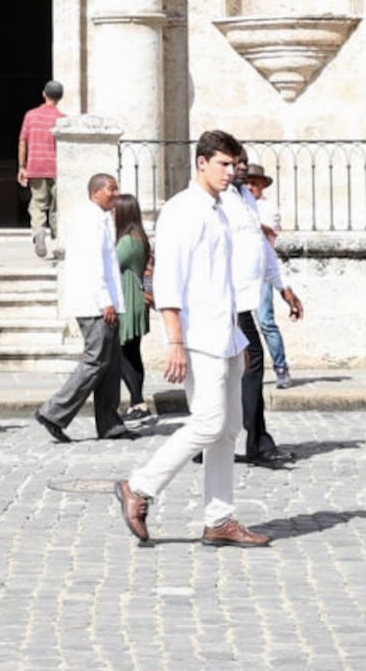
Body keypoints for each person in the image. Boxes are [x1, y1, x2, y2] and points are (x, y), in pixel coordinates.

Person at [114, 129, 269, 548]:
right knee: (208, 423)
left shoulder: (223, 209)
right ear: (201, 162)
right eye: (223, 164)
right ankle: (139, 487)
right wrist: (176, 341)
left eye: (234, 164)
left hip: (225, 334)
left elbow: (225, 281)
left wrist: (239, 341)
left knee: (229, 428)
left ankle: (219, 519)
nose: (231, 172)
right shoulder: (182, 210)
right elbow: (168, 280)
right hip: (198, 336)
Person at [33, 173, 130, 443]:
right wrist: (104, 299)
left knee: (110, 364)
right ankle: (54, 412)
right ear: (96, 192)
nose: (115, 194)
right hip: (94, 303)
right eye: (111, 189)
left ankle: (110, 423)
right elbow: (92, 263)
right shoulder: (90, 219)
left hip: (104, 301)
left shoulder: (100, 217)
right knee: (96, 361)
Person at [228, 149, 303, 466]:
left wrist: (283, 286)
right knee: (247, 365)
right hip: (228, 302)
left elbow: (261, 247)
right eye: (236, 162)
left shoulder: (245, 198)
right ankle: (251, 441)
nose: (242, 167)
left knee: (243, 369)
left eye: (244, 162)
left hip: (244, 300)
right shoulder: (220, 200)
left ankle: (251, 440)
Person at [242, 161, 291, 387]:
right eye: (247, 183)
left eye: (254, 183)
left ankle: (281, 367)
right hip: (243, 272)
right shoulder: (241, 205)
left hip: (262, 272)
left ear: (262, 185)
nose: (250, 187)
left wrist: (249, 221)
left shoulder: (267, 208)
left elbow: (270, 232)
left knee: (266, 322)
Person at [113, 193, 153, 423]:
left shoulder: (127, 242)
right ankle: (137, 403)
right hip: (137, 298)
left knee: (120, 353)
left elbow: (112, 264)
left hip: (128, 299)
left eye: (115, 211)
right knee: (132, 353)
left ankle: (138, 402)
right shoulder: (140, 237)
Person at [18, 80, 64, 257]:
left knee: (37, 204)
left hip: (36, 166)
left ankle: (39, 232)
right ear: (60, 97)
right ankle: (58, 241)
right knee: (57, 207)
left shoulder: (31, 116)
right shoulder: (63, 119)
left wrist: (22, 166)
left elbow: (23, 141)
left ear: (44, 94)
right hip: (57, 168)